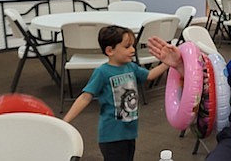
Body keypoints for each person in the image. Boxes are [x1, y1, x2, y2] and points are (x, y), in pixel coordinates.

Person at [63, 25, 173, 161]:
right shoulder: (102, 72)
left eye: (133, 46)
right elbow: (85, 97)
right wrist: (66, 121)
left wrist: (167, 63)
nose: (133, 50)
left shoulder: (131, 67)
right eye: (127, 47)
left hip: (129, 131)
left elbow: (149, 75)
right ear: (110, 50)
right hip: (111, 135)